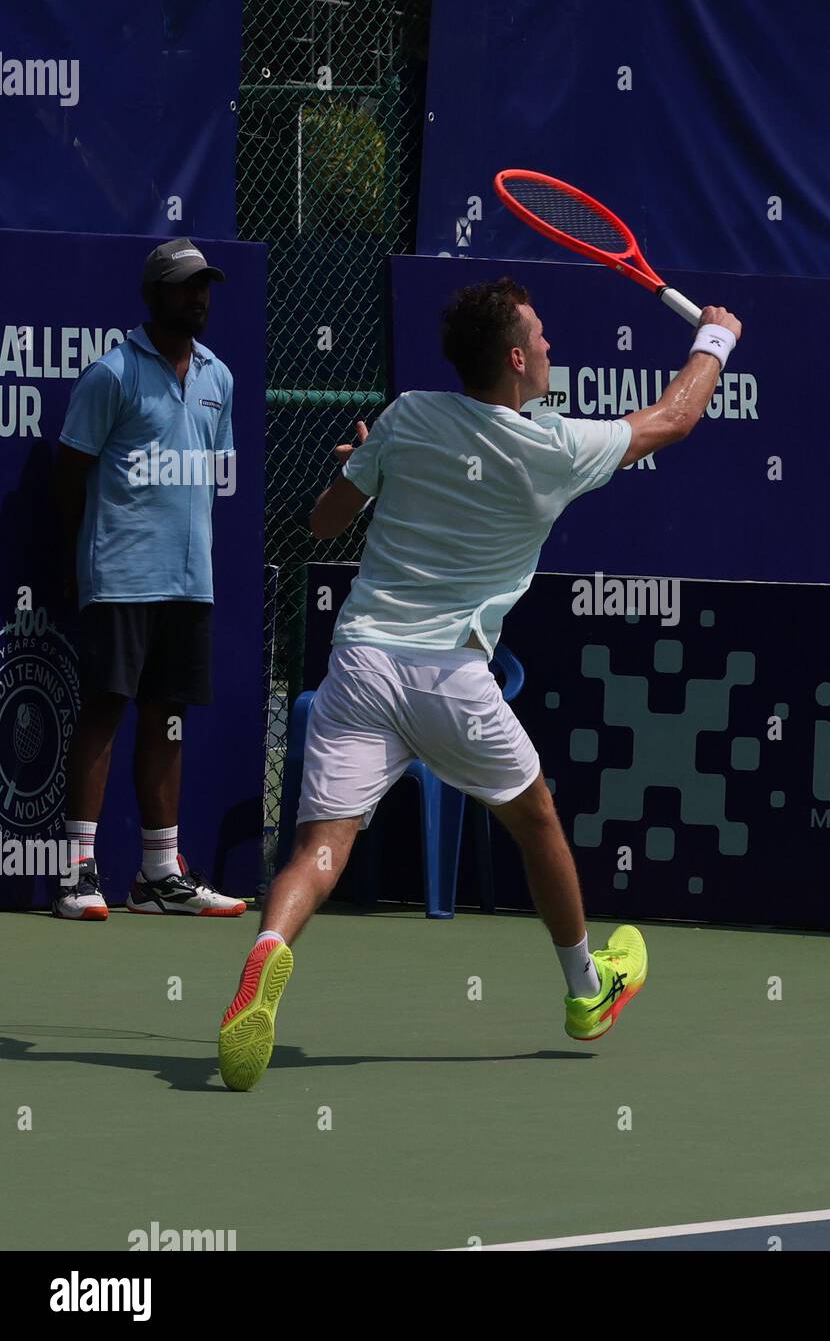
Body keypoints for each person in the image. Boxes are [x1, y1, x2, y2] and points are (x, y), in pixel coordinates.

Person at [218, 276, 742, 1090]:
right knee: (537, 821)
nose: (550, 346)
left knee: (321, 847)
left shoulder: (407, 416)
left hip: (357, 659)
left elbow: (322, 522)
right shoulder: (555, 449)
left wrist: (363, 469)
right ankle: (585, 992)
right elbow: (672, 419)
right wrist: (715, 339)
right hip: (450, 676)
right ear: (514, 358)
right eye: (540, 336)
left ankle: (266, 953)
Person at [52, 239, 245, 920]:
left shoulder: (219, 378)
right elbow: (70, 475)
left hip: (190, 583)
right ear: (154, 296)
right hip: (120, 575)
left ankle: (159, 875)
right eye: (185, 287)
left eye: (205, 287)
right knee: (106, 708)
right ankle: (77, 874)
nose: (199, 298)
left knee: (167, 719)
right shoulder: (112, 375)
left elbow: (212, 482)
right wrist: (79, 562)